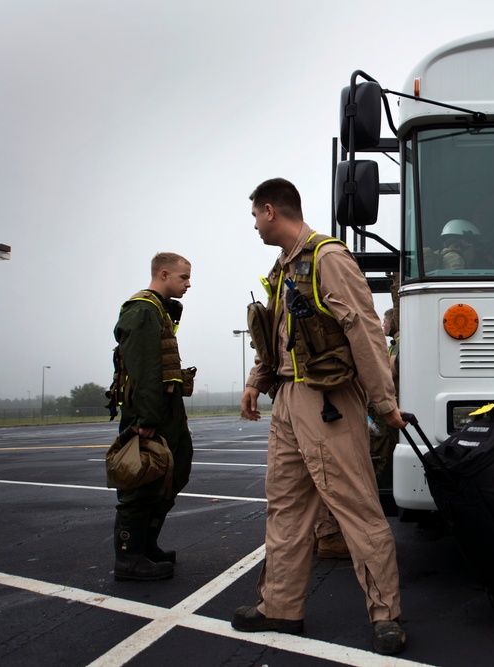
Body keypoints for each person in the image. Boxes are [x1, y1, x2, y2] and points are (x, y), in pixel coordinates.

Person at [233, 177, 408, 656]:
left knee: (356, 507)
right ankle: (280, 608)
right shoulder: (285, 264)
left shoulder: (327, 258)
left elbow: (365, 331)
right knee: (286, 508)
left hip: (328, 400)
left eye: (254, 216)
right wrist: (256, 380)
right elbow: (276, 334)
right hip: (288, 398)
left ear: (271, 211)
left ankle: (386, 614)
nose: (253, 225)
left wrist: (383, 401)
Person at [111, 252, 194, 581]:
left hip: (168, 407)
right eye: (183, 277)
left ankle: (147, 545)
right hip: (150, 409)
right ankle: (129, 559)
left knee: (174, 471)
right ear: (163, 274)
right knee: (141, 480)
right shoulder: (143, 310)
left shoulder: (159, 310)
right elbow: (144, 369)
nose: (189, 283)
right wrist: (146, 419)